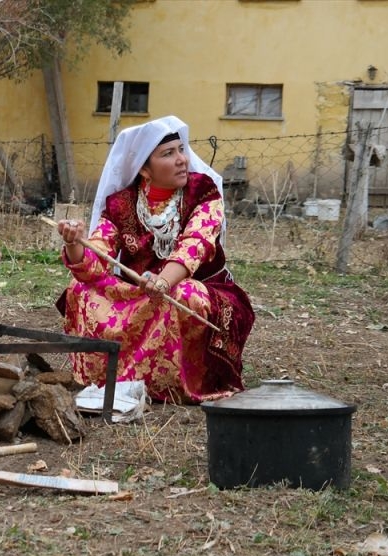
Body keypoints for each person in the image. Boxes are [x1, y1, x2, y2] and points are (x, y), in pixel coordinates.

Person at [54, 115, 254, 404]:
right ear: (144, 169)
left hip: (195, 289)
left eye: (181, 149)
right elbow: (95, 262)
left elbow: (194, 245)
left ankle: (169, 384)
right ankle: (115, 380)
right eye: (168, 154)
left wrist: (162, 281)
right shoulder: (121, 204)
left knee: (183, 293)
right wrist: (75, 244)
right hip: (142, 291)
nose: (182, 159)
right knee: (78, 290)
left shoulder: (203, 192)